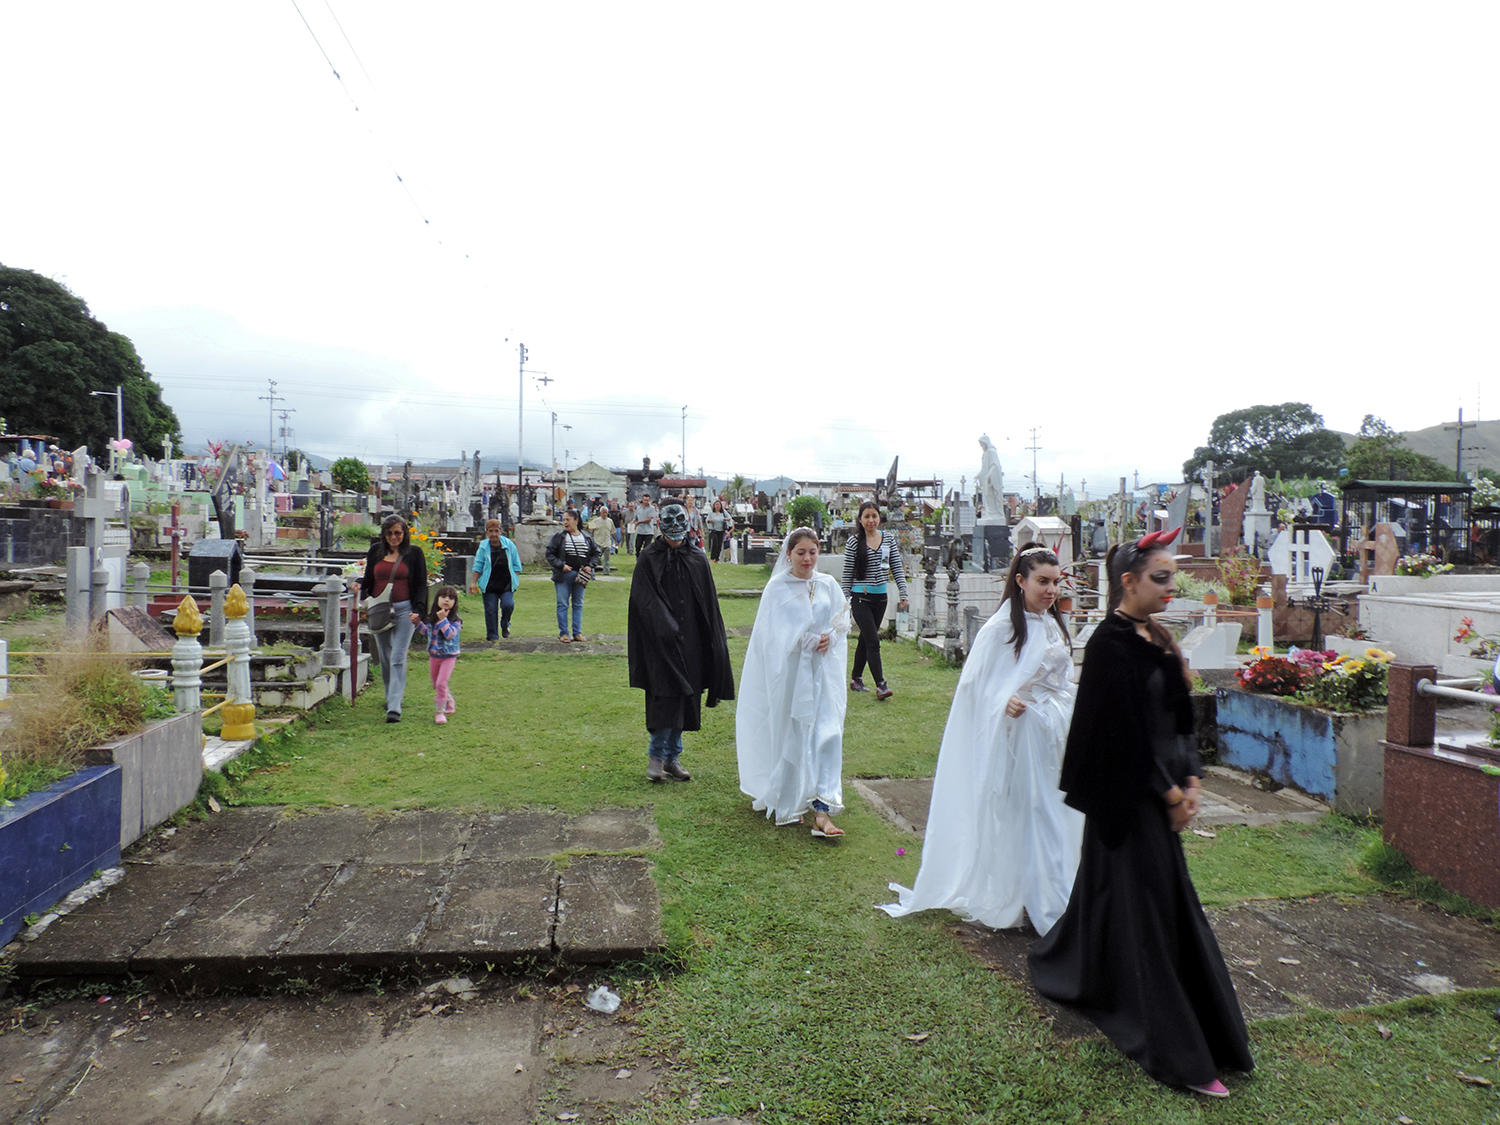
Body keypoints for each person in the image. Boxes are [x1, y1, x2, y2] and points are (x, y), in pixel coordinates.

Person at [1028, 530, 1253, 1100]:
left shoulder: (1158, 636)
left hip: (1162, 794)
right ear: (1128, 582)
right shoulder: (1109, 645)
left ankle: (1087, 971)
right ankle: (1178, 1050)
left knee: (1143, 901)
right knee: (1144, 911)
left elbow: (1178, 720)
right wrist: (1171, 795)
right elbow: (1121, 735)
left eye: (1172, 576)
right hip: (1126, 800)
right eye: (1161, 577)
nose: (1171, 586)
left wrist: (1193, 779)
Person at [880, 543, 1081, 932]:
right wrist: (1003, 700)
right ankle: (1044, 903)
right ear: (1021, 581)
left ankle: (1052, 891)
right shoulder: (1002, 628)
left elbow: (1059, 679)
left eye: (1056, 582)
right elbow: (975, 685)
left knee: (1059, 813)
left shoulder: (1052, 624)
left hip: (1054, 732)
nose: (1051, 590)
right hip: (1023, 736)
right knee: (1033, 814)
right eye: (1043, 581)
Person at [737, 528, 852, 837]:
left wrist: (829, 637)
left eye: (813, 552)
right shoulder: (777, 588)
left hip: (822, 674)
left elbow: (842, 621)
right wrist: (798, 640)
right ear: (789, 554)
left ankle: (823, 810)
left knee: (828, 732)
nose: (807, 559)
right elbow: (768, 635)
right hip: (792, 674)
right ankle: (791, 799)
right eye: (801, 552)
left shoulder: (827, 584)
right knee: (795, 733)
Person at [627, 497, 735, 783]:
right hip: (660, 643)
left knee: (686, 698)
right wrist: (664, 624)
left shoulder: (697, 557)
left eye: (679, 520)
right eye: (669, 521)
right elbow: (642, 599)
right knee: (664, 698)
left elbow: (708, 604)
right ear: (659, 524)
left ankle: (672, 758)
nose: (675, 527)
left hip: (691, 642)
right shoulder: (649, 557)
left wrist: (712, 643)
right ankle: (656, 757)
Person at [355, 515, 429, 723]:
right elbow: (369, 578)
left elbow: (421, 584)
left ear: (404, 533)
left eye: (397, 533)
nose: (393, 537)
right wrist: (360, 585)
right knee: (385, 657)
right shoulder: (375, 551)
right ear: (384, 534)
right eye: (389, 533)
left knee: (398, 656)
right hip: (380, 609)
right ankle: (390, 695)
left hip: (405, 610)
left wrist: (419, 610)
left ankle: (395, 706)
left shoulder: (414, 553)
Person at [841, 501, 910, 700]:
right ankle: (881, 685)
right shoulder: (854, 542)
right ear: (860, 520)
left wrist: (903, 592)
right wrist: (844, 601)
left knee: (865, 638)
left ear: (879, 518)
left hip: (880, 598)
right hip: (860, 597)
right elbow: (847, 574)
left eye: (874, 516)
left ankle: (856, 678)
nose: (871, 520)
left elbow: (896, 567)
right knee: (873, 640)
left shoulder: (888, 539)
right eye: (867, 516)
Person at [545, 509, 599, 642]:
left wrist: (590, 566)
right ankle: (564, 633)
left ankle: (577, 632)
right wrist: (560, 565)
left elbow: (596, 553)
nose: (565, 522)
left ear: (576, 520)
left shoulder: (586, 537)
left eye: (568, 520)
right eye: (563, 520)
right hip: (563, 576)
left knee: (578, 604)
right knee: (562, 604)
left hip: (580, 576)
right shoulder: (559, 537)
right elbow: (549, 553)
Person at [416, 583, 462, 724]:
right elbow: (427, 633)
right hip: (434, 655)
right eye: (443, 597)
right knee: (436, 684)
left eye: (451, 598)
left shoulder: (456, 620)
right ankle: (449, 699)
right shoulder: (432, 618)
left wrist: (443, 620)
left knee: (441, 683)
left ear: (455, 603)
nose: (446, 600)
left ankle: (440, 712)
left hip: (449, 656)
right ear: (437, 599)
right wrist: (417, 623)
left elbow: (449, 635)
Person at [471, 518, 522, 640]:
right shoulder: (483, 547)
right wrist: (473, 582)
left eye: (496, 531)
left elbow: (516, 565)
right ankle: (492, 635)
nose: (494, 534)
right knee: (490, 610)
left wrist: (515, 578)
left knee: (508, 605)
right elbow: (478, 565)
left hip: (506, 583)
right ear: (486, 533)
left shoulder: (509, 545)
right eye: (490, 531)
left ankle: (505, 624)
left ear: (501, 531)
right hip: (489, 583)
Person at [587, 504, 615, 574]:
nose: (605, 514)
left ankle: (606, 572)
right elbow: (589, 529)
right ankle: (593, 571)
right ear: (600, 513)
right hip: (598, 542)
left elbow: (612, 531)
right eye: (603, 513)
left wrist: (616, 541)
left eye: (606, 513)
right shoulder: (596, 521)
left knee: (607, 559)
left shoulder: (610, 521)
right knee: (596, 558)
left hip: (607, 543)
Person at [705, 498, 730, 563]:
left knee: (719, 544)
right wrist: (709, 521)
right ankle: (712, 558)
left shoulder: (723, 512)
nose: (717, 506)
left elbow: (729, 518)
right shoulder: (711, 513)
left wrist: (726, 519)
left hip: (721, 530)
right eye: (716, 504)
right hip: (714, 530)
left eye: (719, 505)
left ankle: (717, 558)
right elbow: (707, 520)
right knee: (715, 543)